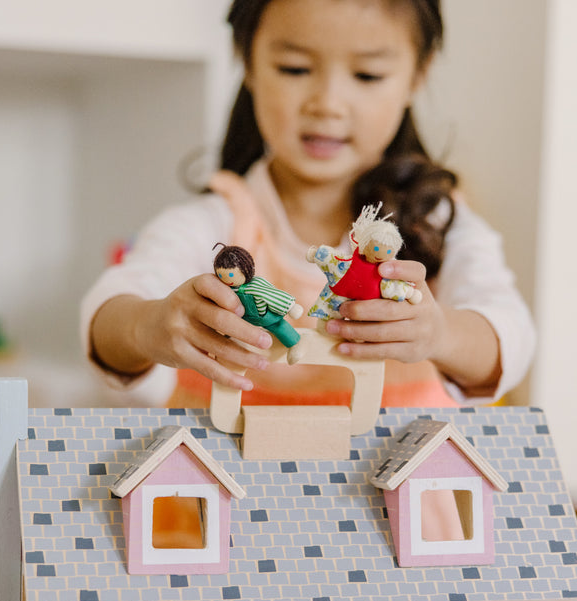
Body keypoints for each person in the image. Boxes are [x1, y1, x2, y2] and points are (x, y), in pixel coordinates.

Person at [81, 0, 535, 409]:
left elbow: (510, 339)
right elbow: (107, 318)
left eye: (367, 75)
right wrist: (149, 326)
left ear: (418, 75)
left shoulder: (437, 225)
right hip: (227, 495)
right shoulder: (211, 226)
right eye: (295, 68)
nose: (328, 104)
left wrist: (440, 333)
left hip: (389, 499)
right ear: (248, 61)